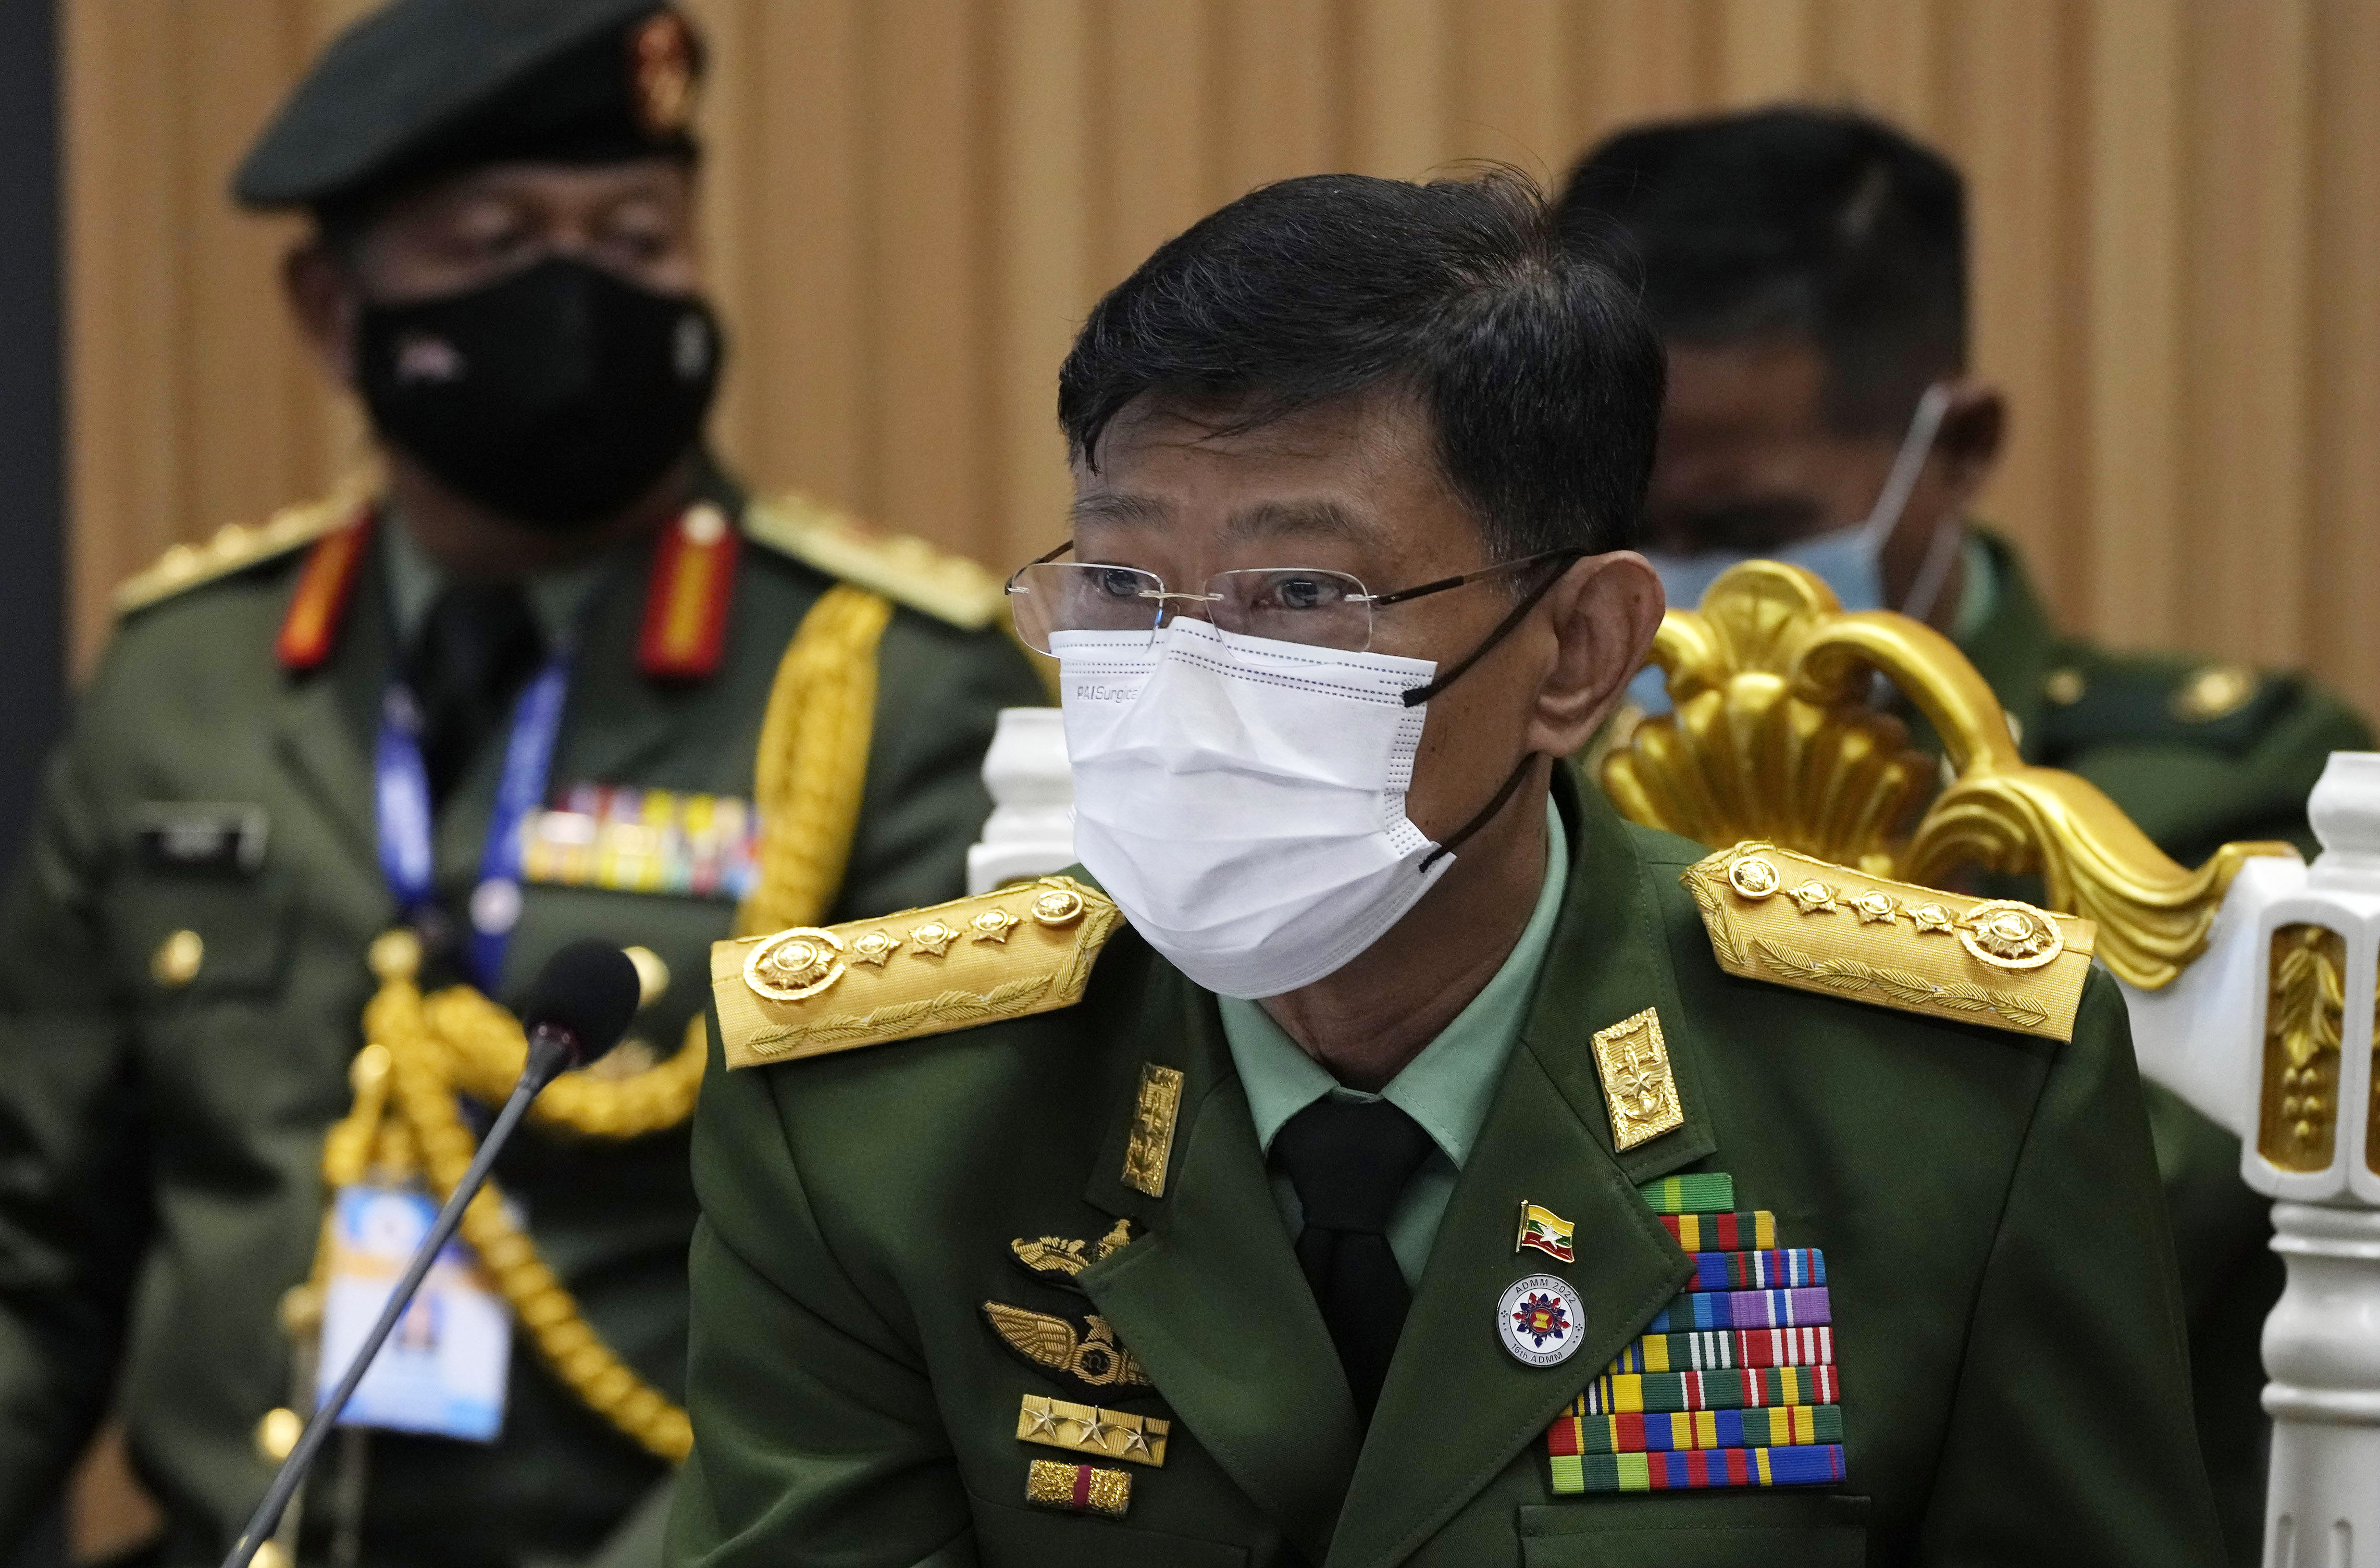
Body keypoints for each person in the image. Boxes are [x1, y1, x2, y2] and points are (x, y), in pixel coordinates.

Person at [671, 169, 2225, 1565]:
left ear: (1579, 651)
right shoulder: (876, 1123)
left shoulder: (1950, 1109)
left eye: (1301, 591)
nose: (1189, 678)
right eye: (1127, 584)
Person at [0, 3, 1043, 1565]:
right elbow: (34, 1251)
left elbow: (928, 1289)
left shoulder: (889, 691)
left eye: (636, 241)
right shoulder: (186, 677)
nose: (578, 296)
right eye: (495, 243)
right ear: (331, 309)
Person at [1554, 107, 2360, 1564]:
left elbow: (2107, 1229)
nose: (1671, 598)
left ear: (1960, 444)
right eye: (1618, 529)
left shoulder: (2226, 797)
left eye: (1746, 525)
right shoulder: (1515, 793)